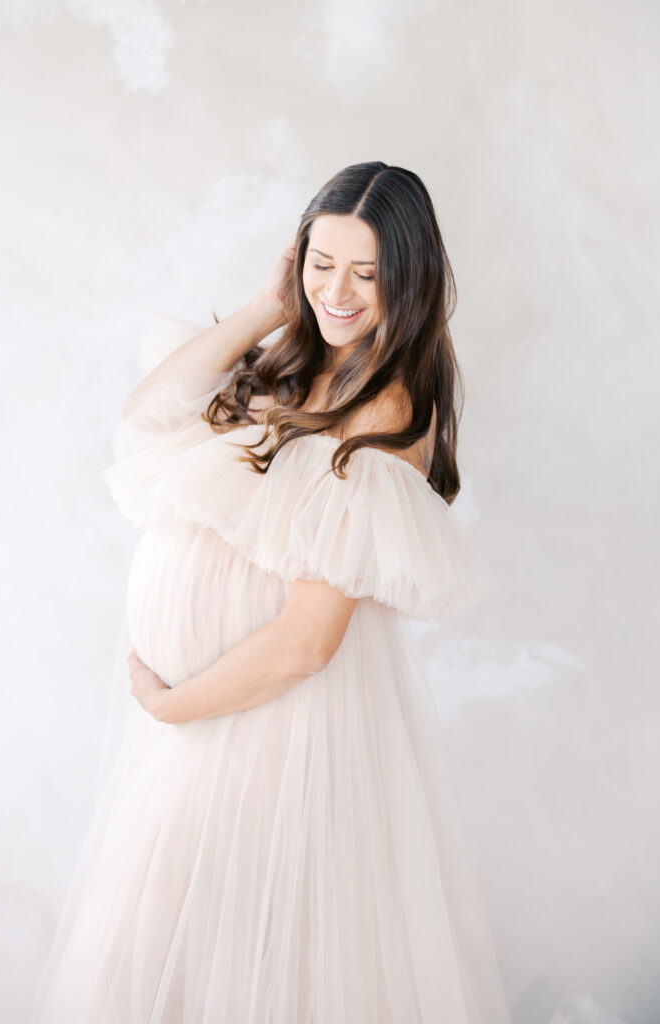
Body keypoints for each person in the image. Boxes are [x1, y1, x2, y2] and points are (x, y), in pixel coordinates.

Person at [33, 161, 512, 1023]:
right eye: (320, 263)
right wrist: (267, 308)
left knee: (211, 960)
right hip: (214, 720)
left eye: (366, 273)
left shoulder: (385, 409)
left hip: (269, 728)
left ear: (410, 277)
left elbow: (306, 640)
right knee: (173, 961)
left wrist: (174, 708)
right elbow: (147, 414)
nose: (338, 291)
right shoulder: (299, 362)